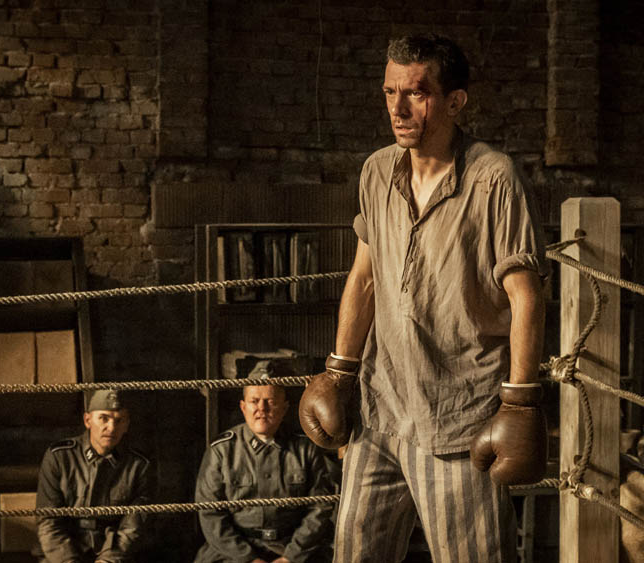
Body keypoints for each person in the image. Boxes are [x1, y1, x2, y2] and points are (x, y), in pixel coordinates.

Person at [298, 33, 549, 562]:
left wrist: (520, 403)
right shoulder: (377, 170)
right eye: (390, 92)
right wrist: (339, 372)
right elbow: (364, 277)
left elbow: (526, 296)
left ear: (455, 101)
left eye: (416, 93)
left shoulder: (494, 178)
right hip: (380, 411)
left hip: (457, 419)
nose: (398, 108)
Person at [194, 375, 337, 563]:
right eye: (254, 401)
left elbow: (321, 507)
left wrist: (290, 557)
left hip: (294, 548)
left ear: (284, 408)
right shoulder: (221, 450)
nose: (262, 408)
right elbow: (210, 514)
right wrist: (249, 559)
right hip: (234, 551)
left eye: (270, 401)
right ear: (243, 407)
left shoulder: (306, 449)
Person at [36, 389, 153, 563]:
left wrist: (107, 561)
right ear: (87, 420)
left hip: (115, 553)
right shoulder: (60, 457)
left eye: (119, 420)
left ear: (126, 425)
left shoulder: (139, 466)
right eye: (104, 418)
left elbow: (133, 528)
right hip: (63, 551)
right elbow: (49, 522)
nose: (111, 428)